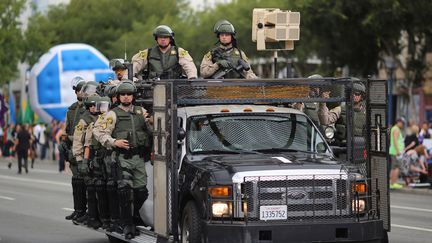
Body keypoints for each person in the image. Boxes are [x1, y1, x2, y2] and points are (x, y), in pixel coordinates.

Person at [93, 81, 151, 239]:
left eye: (129, 94)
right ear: (118, 97)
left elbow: (151, 128)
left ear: (133, 96)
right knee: (124, 191)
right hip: (121, 158)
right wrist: (113, 142)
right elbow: (98, 132)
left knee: (141, 192)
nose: (126, 97)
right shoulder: (113, 114)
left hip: (138, 158)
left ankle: (131, 219)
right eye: (123, 94)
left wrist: (151, 122)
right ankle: (126, 224)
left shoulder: (141, 112)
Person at [60, 76, 88, 221]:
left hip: (86, 148)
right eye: (77, 90)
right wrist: (63, 141)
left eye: (83, 90)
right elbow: (66, 129)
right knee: (76, 182)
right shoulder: (71, 109)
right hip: (73, 149)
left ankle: (88, 212)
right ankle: (78, 210)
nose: (80, 93)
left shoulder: (90, 107)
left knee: (87, 183)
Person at [72, 94, 100, 228]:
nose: (94, 108)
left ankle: (99, 215)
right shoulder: (84, 120)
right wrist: (80, 160)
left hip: (100, 157)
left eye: (96, 105)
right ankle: (91, 215)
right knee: (90, 187)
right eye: (91, 106)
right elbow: (78, 141)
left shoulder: (104, 116)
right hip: (87, 157)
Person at [132, 25, 197, 80]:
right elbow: (132, 69)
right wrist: (132, 80)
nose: (163, 39)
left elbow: (189, 66)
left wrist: (192, 78)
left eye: (165, 37)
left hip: (175, 89)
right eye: (160, 37)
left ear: (170, 39)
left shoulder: (179, 52)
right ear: (156, 39)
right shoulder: (147, 53)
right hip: (152, 89)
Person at [389, 118, 406, 189]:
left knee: (393, 167)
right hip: (396, 152)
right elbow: (395, 140)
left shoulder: (394, 128)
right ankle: (394, 183)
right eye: (402, 123)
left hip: (394, 151)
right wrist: (398, 151)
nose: (402, 125)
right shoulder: (396, 129)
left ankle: (392, 183)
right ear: (398, 122)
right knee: (396, 167)